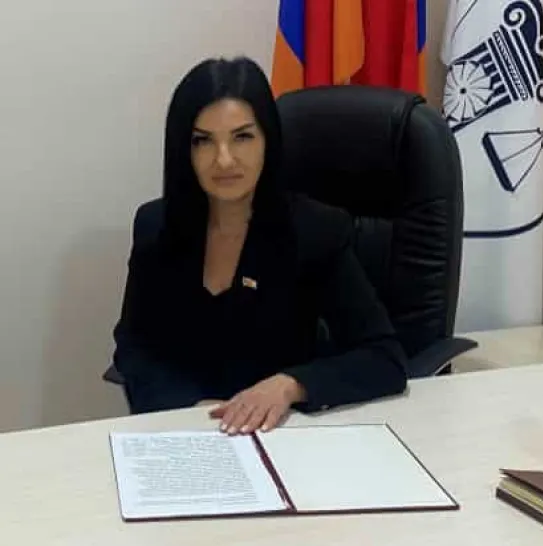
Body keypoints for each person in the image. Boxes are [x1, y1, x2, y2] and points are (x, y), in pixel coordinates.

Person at [112, 57, 408, 434]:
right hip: (186, 432)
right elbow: (134, 347)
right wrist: (191, 407)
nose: (224, 160)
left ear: (268, 140)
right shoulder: (156, 226)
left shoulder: (314, 230)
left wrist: (290, 385)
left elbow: (383, 357)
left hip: (281, 434)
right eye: (203, 140)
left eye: (242, 137)